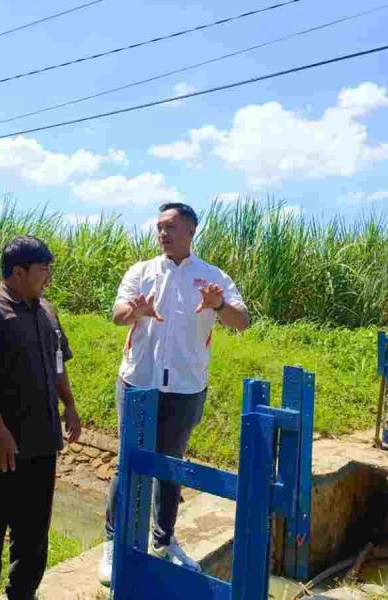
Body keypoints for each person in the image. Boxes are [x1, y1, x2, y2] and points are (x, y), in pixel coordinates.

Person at [98, 202, 249, 585]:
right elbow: (117, 314)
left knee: (170, 466)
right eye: (159, 227)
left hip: (185, 387)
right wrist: (136, 311)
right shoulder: (142, 272)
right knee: (128, 462)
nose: (163, 233)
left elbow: (242, 321)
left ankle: (163, 541)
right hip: (138, 383)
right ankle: (113, 542)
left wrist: (218, 304)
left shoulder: (212, 277)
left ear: (191, 231)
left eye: (171, 227)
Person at [0, 235, 82, 600]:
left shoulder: (48, 311)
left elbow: (58, 362)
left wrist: (69, 404)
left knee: (32, 540)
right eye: (43, 270)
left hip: (41, 445)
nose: (49, 278)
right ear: (18, 272)